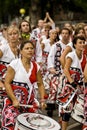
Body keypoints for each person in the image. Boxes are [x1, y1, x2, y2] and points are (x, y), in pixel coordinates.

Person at [2, 40, 46, 130]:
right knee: (11, 123)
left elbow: (40, 84)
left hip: (29, 104)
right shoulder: (14, 64)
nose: (30, 50)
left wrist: (42, 100)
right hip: (12, 103)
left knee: (35, 126)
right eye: (27, 48)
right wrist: (14, 100)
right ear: (21, 51)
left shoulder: (36, 66)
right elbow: (7, 83)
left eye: (31, 48)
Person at [62, 35, 86, 130]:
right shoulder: (71, 55)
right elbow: (66, 70)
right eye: (80, 42)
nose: (82, 44)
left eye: (83, 42)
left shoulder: (85, 57)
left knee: (81, 108)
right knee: (66, 110)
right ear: (75, 44)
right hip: (70, 85)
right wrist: (71, 82)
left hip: (79, 86)